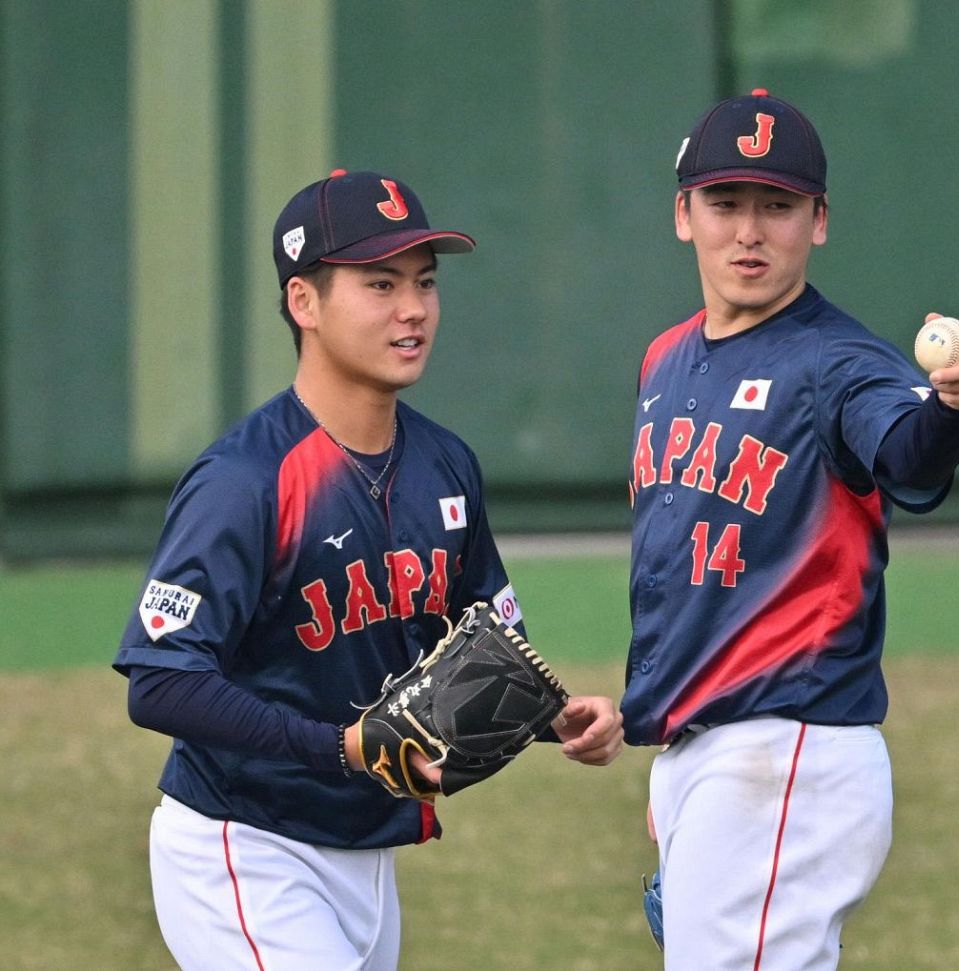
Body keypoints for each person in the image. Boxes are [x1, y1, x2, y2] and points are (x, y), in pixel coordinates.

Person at [114, 168, 624, 970]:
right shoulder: (245, 481)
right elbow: (160, 681)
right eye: (380, 283)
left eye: (424, 282)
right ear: (303, 303)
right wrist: (339, 747)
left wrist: (547, 715)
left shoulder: (445, 464)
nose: (413, 308)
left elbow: (485, 641)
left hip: (366, 854)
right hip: (245, 847)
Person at [623, 90, 959, 968]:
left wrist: (950, 410)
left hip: (784, 750)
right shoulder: (665, 358)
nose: (750, 232)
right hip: (700, 751)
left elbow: (908, 457)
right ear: (683, 215)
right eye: (725, 204)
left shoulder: (838, 362)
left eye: (778, 206)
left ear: (819, 221)